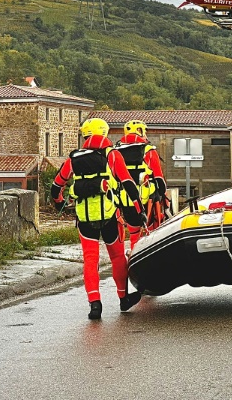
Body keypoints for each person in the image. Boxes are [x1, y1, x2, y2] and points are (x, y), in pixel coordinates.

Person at [50, 118, 146, 320]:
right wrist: (139, 209)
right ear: (103, 133)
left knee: (90, 261)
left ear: (84, 136)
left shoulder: (74, 158)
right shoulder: (111, 154)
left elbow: (56, 186)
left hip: (85, 218)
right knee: (117, 257)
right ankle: (123, 298)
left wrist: (59, 203)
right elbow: (128, 183)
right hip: (110, 215)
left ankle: (95, 305)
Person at [115, 119, 167, 248]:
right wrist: (163, 197)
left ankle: (133, 254)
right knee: (150, 233)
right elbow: (159, 178)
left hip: (125, 198)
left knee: (133, 233)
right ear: (140, 130)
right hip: (148, 199)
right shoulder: (148, 150)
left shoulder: (115, 151)